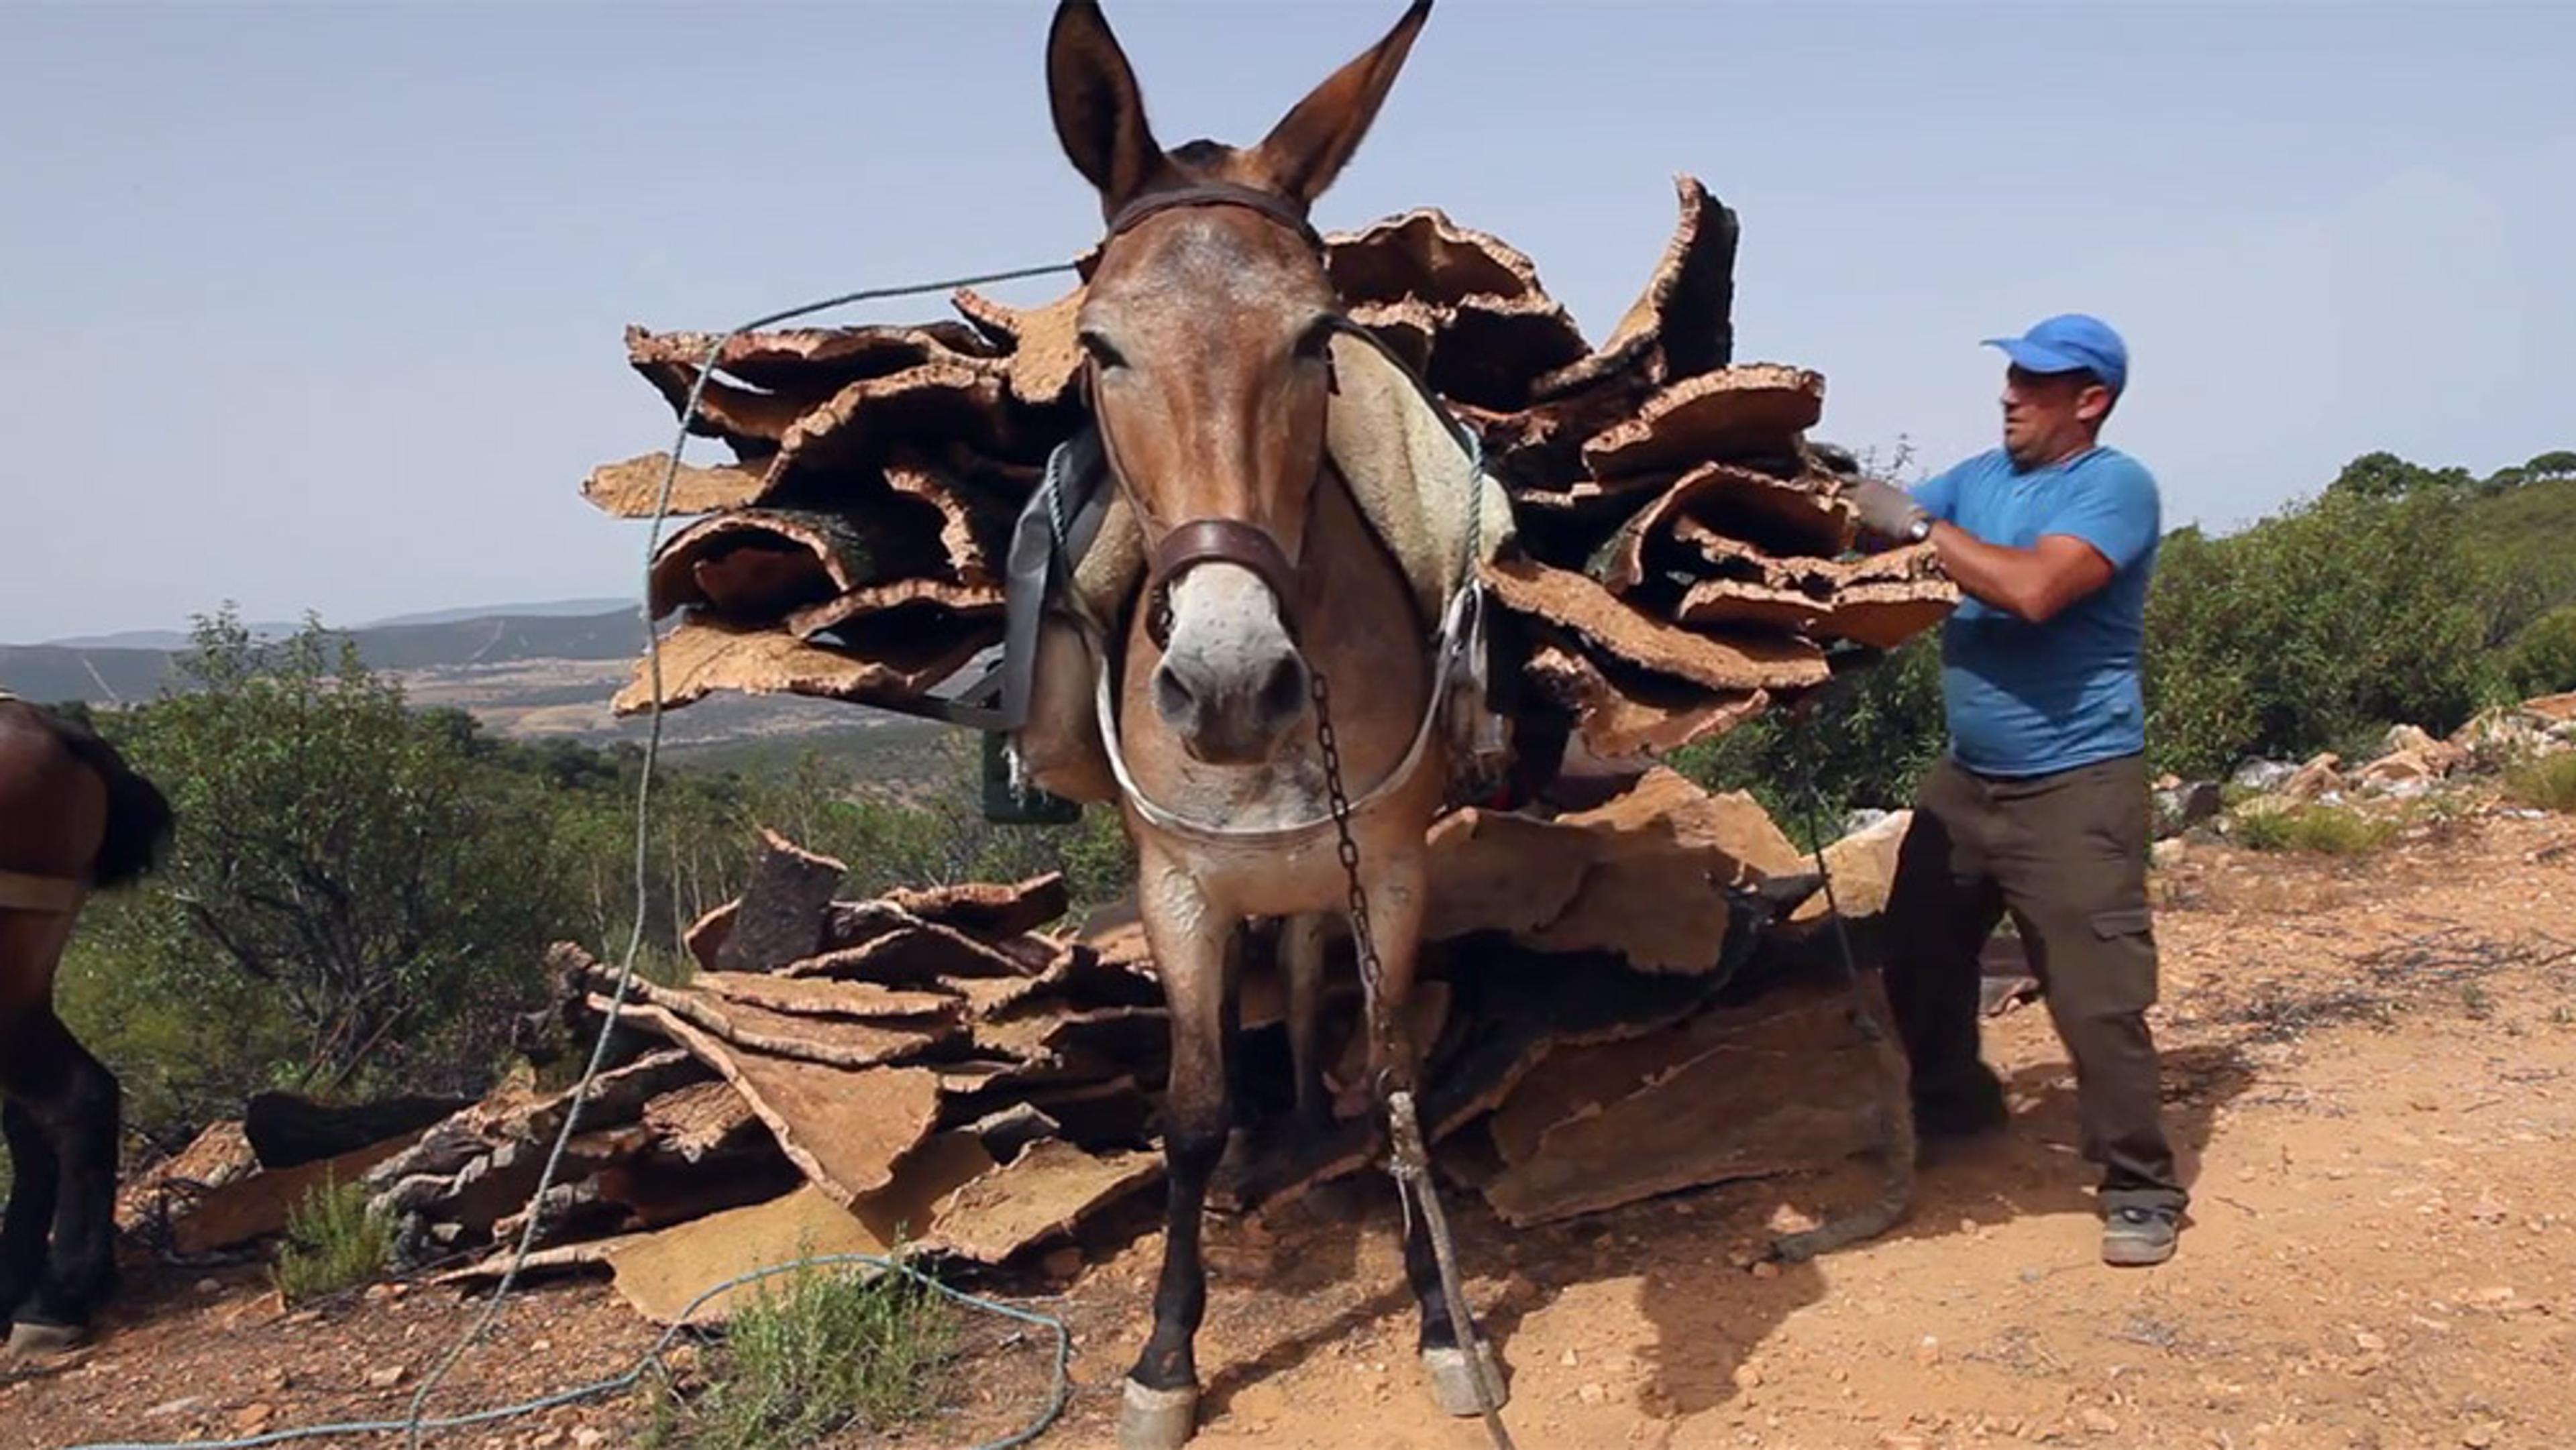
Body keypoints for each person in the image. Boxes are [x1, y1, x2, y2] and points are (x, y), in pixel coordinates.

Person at [1844, 313, 2187, 1267]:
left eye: (2036, 383)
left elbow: (2031, 589)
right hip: (1968, 779)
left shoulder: (2114, 488)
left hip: (2076, 781)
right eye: (2010, 377)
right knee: (1918, 952)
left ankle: (2140, 1184)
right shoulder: (1979, 478)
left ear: (2091, 401)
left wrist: (1914, 525)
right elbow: (1879, 539)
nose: (2010, 395)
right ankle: (1956, 1108)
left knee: (2094, 997)